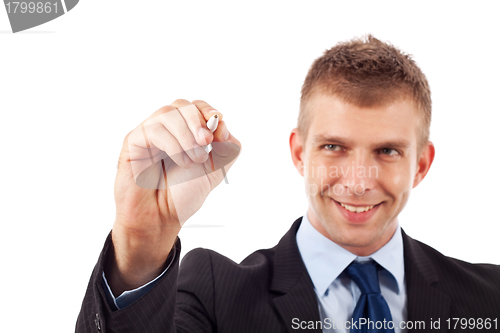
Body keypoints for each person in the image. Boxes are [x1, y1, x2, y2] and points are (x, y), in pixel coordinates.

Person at [76, 35, 500, 333]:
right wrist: (141, 239)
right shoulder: (214, 294)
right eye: (334, 146)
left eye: (386, 151)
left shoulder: (490, 299)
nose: (356, 182)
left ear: (421, 164)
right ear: (299, 153)